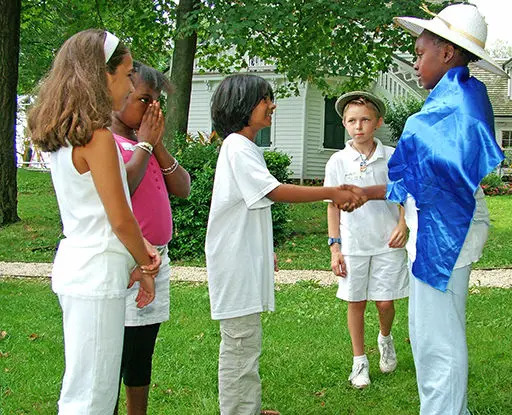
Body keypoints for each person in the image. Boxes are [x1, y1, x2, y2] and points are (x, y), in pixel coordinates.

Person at [351, 4, 507, 414]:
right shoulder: (455, 98)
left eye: (421, 54)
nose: (415, 62)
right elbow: (422, 175)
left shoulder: (459, 105)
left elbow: (443, 182)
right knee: (431, 332)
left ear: (448, 53)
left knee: (438, 338)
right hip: (439, 225)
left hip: (445, 230)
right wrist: (368, 193)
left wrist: (377, 194)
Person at [205, 74, 365, 415]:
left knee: (247, 343)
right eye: (266, 99)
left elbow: (250, 206)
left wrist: (265, 251)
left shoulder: (244, 147)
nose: (273, 105)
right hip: (234, 268)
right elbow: (273, 191)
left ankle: (248, 407)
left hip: (244, 261)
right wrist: (331, 191)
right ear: (243, 106)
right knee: (240, 344)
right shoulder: (237, 145)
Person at [27, 29, 160, 414]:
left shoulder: (65, 135)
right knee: (93, 397)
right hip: (96, 274)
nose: (132, 82)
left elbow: (99, 218)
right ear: (102, 75)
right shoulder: (97, 138)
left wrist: (135, 261)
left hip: (80, 266)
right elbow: (119, 218)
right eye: (128, 73)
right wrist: (146, 260)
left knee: (83, 386)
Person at [110, 61, 191, 415]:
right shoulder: (107, 143)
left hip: (157, 261)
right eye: (144, 99)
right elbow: (121, 189)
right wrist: (143, 145)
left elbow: (183, 187)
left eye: (156, 102)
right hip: (126, 261)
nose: (151, 109)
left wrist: (154, 145)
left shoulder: (145, 144)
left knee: (142, 351)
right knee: (115, 353)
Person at [324, 91, 409, 389]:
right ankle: (359, 362)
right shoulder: (338, 161)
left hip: (388, 242)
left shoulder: (393, 155)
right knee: (356, 301)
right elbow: (332, 205)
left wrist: (403, 223)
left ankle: (385, 339)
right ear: (345, 124)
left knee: (385, 302)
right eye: (351, 121)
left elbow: (403, 193)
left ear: (378, 122)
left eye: (364, 120)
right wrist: (336, 247)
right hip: (353, 245)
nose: (358, 126)